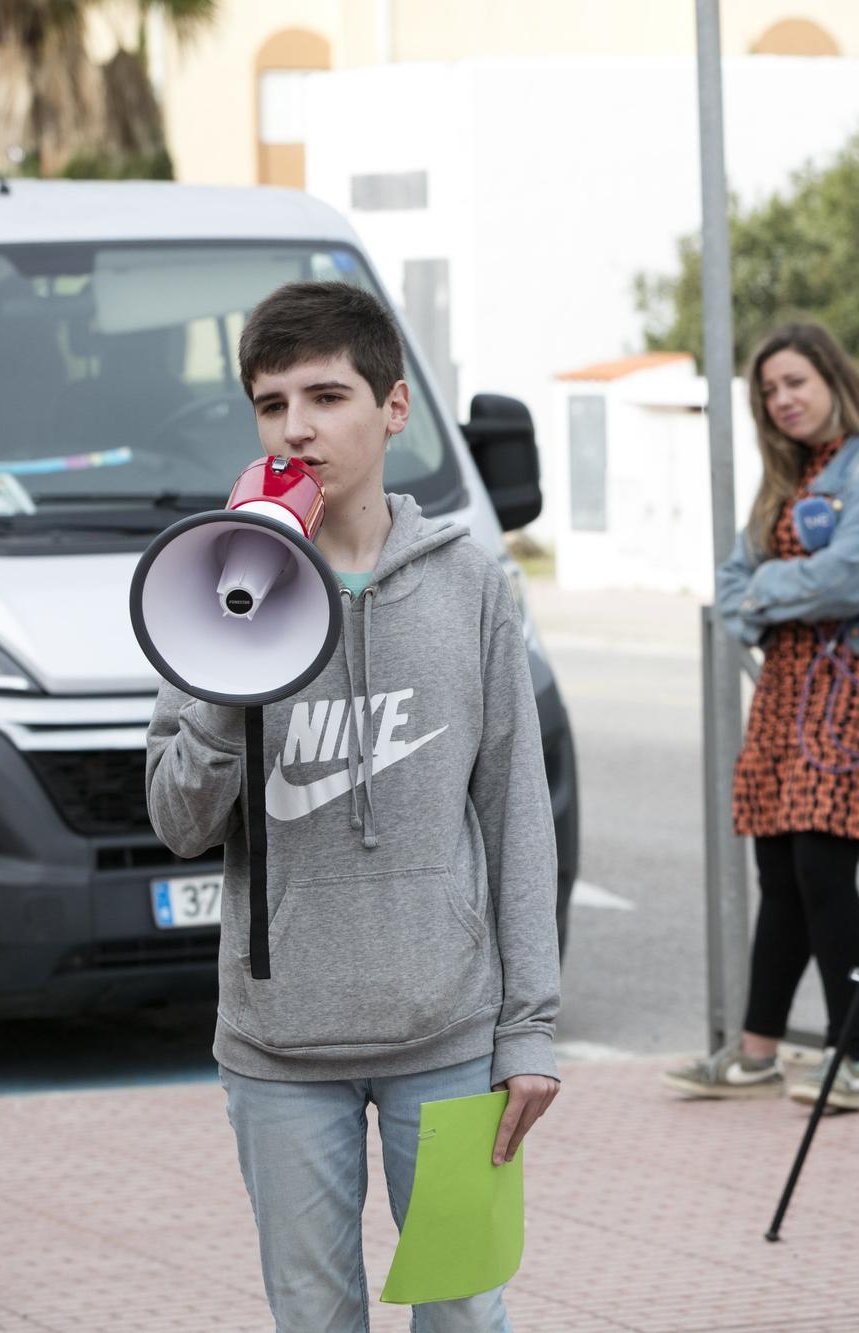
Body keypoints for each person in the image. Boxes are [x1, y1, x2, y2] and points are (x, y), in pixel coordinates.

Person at [145, 281, 561, 1332]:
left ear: (392, 406)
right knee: (315, 1317)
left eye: (325, 395)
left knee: (465, 1311)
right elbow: (179, 821)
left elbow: (517, 814)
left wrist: (531, 1032)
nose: (296, 427)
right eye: (270, 402)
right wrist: (222, 665)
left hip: (452, 1032)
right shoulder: (211, 584)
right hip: (281, 1046)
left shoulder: (469, 586)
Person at [662, 320, 859, 1113]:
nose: (782, 400)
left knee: (823, 860)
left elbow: (847, 579)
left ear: (834, 379)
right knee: (779, 868)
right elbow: (736, 575)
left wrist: (767, 592)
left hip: (858, 678)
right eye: (769, 390)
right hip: (787, 684)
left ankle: (849, 1059)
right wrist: (776, 588)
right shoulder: (786, 477)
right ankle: (756, 1053)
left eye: (795, 383)